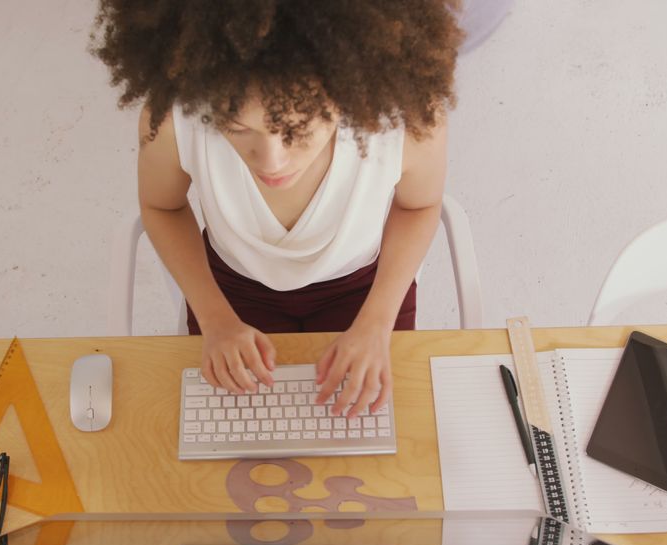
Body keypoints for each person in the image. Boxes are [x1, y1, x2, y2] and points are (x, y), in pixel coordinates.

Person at [91, 1, 463, 419]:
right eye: (235, 127)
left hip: (365, 289)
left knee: (376, 433)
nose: (270, 162)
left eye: (297, 128)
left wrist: (376, 324)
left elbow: (420, 206)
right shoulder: (177, 117)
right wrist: (216, 320)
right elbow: (161, 206)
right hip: (232, 291)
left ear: (351, 91)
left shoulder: (406, 120)